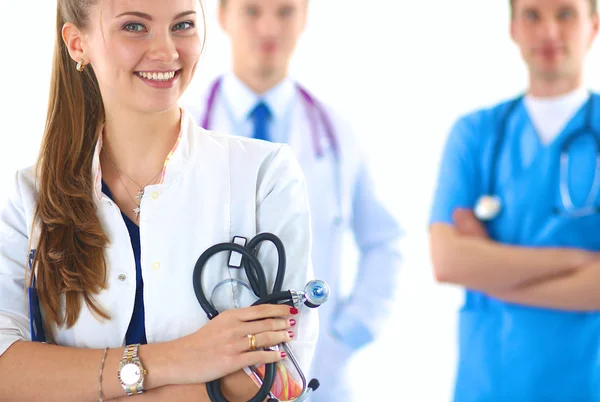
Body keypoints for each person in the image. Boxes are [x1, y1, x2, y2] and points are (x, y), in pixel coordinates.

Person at [0, 0, 319, 401]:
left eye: (183, 26)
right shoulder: (29, 197)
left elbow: (277, 380)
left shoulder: (264, 176)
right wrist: (181, 358)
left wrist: (70, 381)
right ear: (78, 43)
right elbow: (5, 372)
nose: (167, 52)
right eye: (135, 27)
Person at [181, 0, 402, 400]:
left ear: (304, 17)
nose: (269, 27)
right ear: (224, 16)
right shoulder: (186, 128)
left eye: (285, 11)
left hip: (316, 371)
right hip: (209, 368)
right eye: (252, 10)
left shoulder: (337, 133)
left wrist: (346, 333)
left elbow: (384, 242)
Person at [429, 0, 600, 400]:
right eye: (533, 15)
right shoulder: (475, 134)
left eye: (565, 14)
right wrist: (579, 261)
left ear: (593, 26)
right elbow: (448, 261)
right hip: (489, 383)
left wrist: (489, 267)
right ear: (513, 28)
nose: (549, 32)